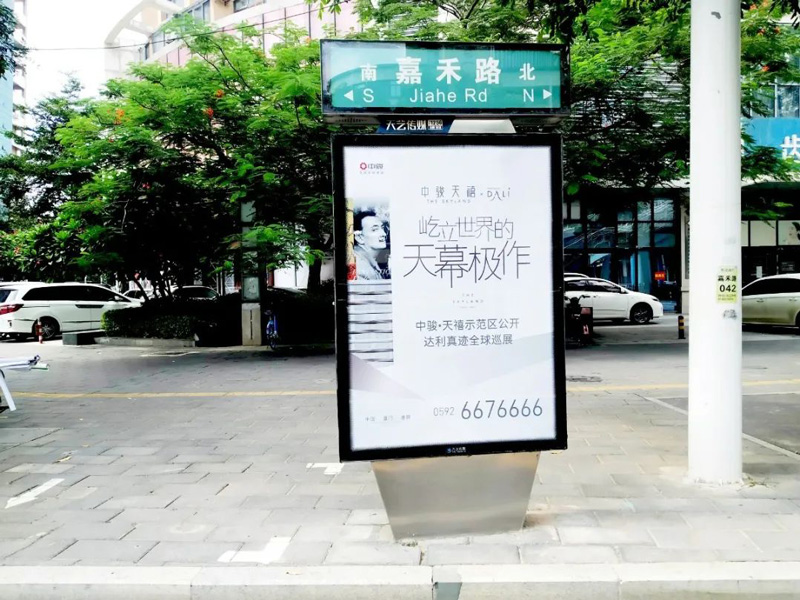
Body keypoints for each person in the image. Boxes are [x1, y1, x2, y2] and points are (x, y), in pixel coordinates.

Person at [353, 209, 390, 280]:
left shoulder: (368, 261)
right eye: (375, 229)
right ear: (359, 237)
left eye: (382, 228)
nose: (383, 234)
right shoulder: (359, 267)